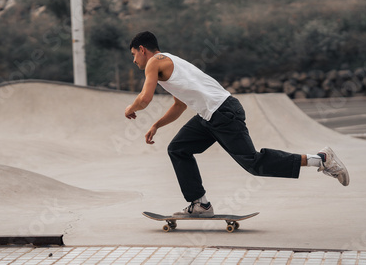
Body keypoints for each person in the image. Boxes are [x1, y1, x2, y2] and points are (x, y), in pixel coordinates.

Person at [125, 31, 349, 218]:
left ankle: (320, 159)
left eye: (134, 55)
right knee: (178, 148)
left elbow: (145, 98)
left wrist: (131, 108)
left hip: (222, 112)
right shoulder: (171, 62)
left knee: (253, 163)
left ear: (143, 49)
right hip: (210, 116)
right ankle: (200, 204)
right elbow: (179, 106)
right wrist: (157, 124)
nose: (134, 61)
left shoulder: (154, 62)